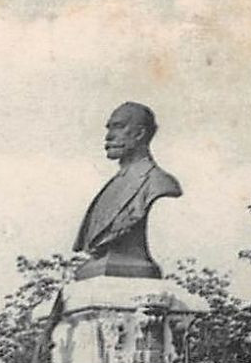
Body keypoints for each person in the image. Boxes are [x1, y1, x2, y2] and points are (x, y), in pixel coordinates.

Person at [72, 102, 182, 280]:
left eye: (119, 127)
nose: (109, 136)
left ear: (139, 133)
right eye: (109, 128)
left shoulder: (158, 183)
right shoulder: (110, 187)